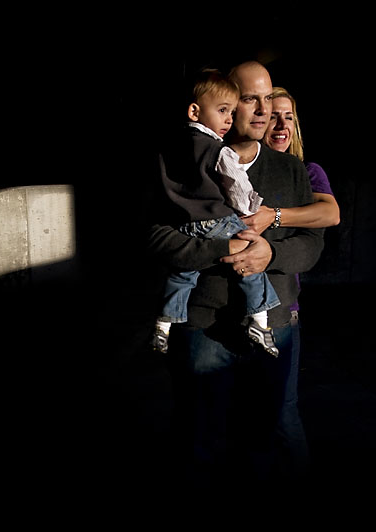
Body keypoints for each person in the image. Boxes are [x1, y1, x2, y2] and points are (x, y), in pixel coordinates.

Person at [147, 61, 325, 487]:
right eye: (250, 100)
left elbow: (312, 246)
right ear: (223, 104)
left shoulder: (289, 168)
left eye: (268, 99)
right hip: (203, 327)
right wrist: (220, 248)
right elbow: (155, 237)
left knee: (265, 440)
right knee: (199, 440)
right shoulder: (181, 157)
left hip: (275, 327)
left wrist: (269, 253)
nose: (263, 111)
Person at [247, 86, 341, 480]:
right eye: (274, 115)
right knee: (242, 410)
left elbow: (329, 213)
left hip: (283, 307)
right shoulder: (240, 166)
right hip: (236, 302)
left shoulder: (306, 171)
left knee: (282, 411)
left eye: (290, 117)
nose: (282, 123)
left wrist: (276, 217)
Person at [152, 69, 280, 357]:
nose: (228, 120)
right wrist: (251, 209)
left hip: (183, 225)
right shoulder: (218, 150)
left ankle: (164, 324)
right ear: (195, 111)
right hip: (216, 221)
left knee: (183, 273)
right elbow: (237, 186)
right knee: (251, 259)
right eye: (223, 110)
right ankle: (260, 321)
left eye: (232, 112)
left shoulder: (168, 148)